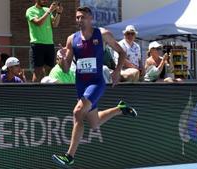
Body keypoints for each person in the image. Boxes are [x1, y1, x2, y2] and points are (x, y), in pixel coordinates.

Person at [52, 7, 137, 167]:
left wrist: (117, 71)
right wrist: (62, 58)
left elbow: (122, 52)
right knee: (94, 123)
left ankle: (69, 156)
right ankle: (120, 109)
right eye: (77, 18)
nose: (79, 20)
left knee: (77, 112)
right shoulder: (72, 39)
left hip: (96, 83)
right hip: (81, 85)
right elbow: (65, 68)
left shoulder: (103, 34)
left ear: (90, 18)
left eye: (83, 17)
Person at [26, 0, 63, 82]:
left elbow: (54, 24)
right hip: (37, 44)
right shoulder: (30, 10)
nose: (45, 1)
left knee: (50, 71)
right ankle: (35, 93)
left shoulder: (47, 10)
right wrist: (50, 11)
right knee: (38, 72)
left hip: (49, 44)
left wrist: (58, 13)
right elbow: (38, 23)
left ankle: (48, 93)